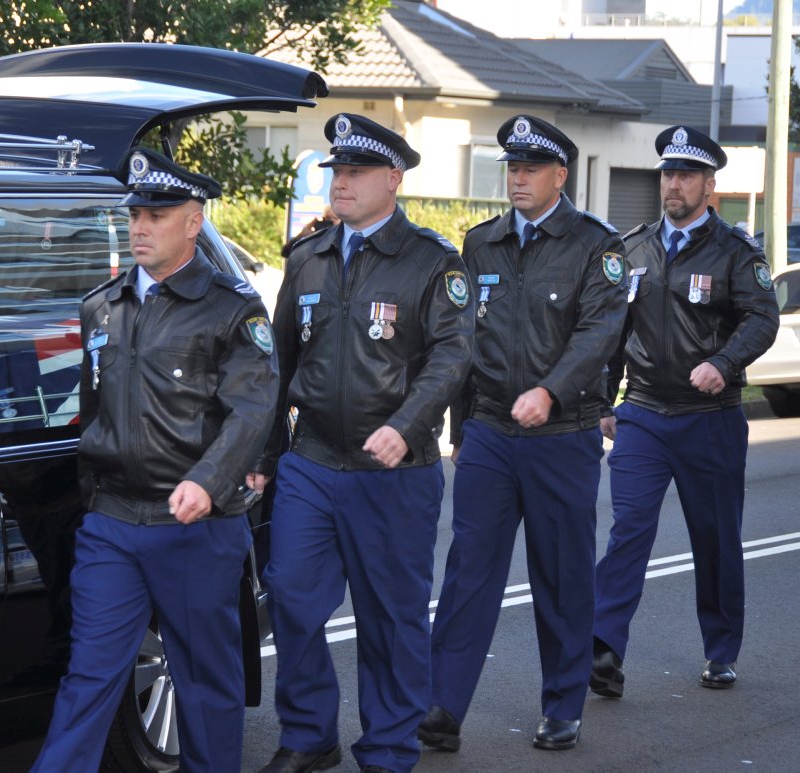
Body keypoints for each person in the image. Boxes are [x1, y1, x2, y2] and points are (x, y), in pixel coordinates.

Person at [31, 146, 278, 772]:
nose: (140, 226)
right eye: (135, 214)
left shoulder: (232, 307)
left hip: (195, 527)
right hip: (113, 524)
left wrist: (208, 482)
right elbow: (93, 409)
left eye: (157, 215)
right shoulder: (102, 306)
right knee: (88, 677)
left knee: (206, 684)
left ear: (194, 222)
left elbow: (252, 408)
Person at [252, 113, 475, 773]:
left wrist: (405, 425)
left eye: (355, 171)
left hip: (395, 471)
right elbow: (277, 365)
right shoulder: (308, 257)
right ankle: (308, 734)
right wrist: (265, 457)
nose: (340, 182)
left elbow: (452, 357)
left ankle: (386, 747)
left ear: (393, 178)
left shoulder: (432, 261)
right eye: (336, 171)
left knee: (390, 616)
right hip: (313, 460)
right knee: (291, 593)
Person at [420, 115, 628, 754]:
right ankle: (442, 705)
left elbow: (599, 334)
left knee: (561, 576)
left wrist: (551, 391)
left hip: (562, 433)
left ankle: (563, 705)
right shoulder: (480, 243)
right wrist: (459, 427)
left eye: (530, 168)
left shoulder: (595, 246)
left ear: (560, 175)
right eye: (512, 167)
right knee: (468, 571)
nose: (517, 178)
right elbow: (462, 339)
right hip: (489, 430)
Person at [590, 126, 779, 698]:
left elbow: (762, 318)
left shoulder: (735, 251)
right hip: (644, 414)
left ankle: (720, 650)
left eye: (687, 175)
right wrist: (605, 398)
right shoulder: (633, 248)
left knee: (714, 538)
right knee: (628, 532)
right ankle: (603, 649)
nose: (674, 184)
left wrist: (724, 362)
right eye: (669, 174)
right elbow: (613, 329)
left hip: (710, 417)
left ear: (708, 184)